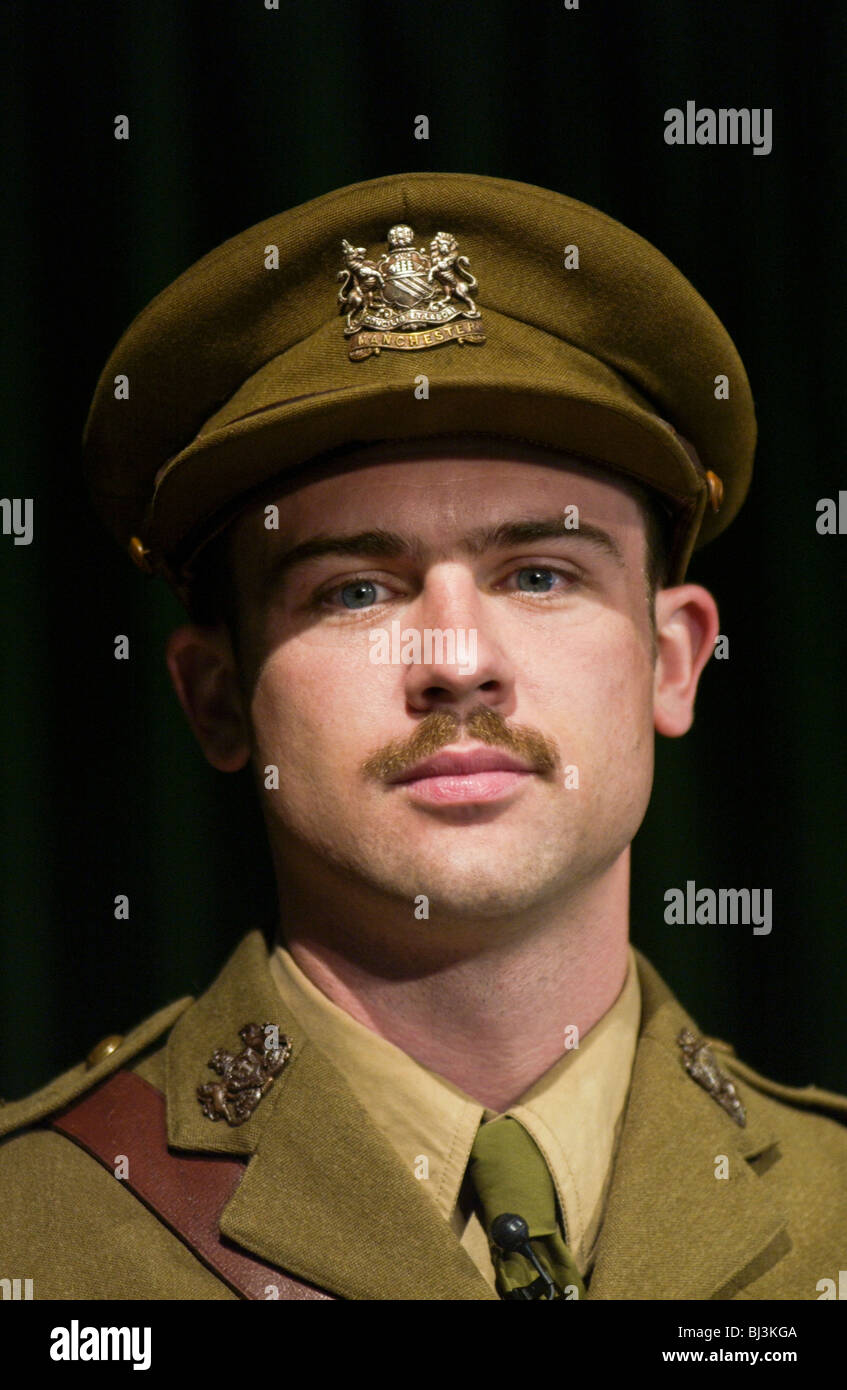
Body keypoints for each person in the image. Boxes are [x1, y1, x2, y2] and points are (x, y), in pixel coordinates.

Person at [1, 171, 845, 1302]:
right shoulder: (31, 1233)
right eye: (355, 591)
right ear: (216, 696)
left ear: (674, 661)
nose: (453, 659)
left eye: (539, 574)